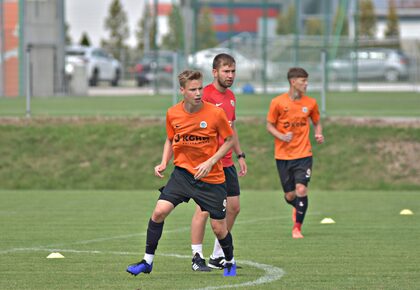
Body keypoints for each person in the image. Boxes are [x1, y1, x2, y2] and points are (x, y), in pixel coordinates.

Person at [126, 70, 237, 277]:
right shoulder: (173, 113)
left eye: (200, 88)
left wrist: (211, 161)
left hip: (211, 178)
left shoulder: (215, 113)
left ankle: (230, 261)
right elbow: (170, 138)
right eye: (193, 89)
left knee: (219, 229)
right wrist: (163, 162)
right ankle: (147, 261)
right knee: (159, 212)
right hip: (183, 174)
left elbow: (229, 140)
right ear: (182, 91)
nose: (198, 93)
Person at [189, 53, 247, 271]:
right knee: (203, 210)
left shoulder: (231, 96)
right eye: (226, 71)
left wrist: (240, 155)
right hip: (208, 163)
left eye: (233, 71)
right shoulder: (204, 96)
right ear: (215, 72)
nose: (230, 75)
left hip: (227, 162)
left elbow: (231, 129)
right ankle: (197, 257)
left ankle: (218, 255)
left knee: (233, 207)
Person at [266, 67, 324, 239]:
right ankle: (297, 206)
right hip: (283, 156)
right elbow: (269, 125)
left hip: (304, 154)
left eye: (307, 81)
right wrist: (281, 136)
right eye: (303, 81)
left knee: (301, 189)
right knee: (290, 195)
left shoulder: (310, 103)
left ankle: (297, 228)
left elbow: (317, 122)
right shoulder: (277, 102)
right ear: (293, 82)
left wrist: (318, 133)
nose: (306, 84)